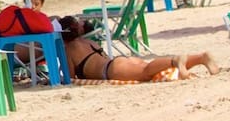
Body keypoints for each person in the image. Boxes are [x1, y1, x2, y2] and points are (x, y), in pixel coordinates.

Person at [59, 16, 217, 82]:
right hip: (116, 62)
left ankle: (175, 60)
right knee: (150, 69)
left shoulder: (69, 49)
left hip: (111, 70)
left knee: (146, 72)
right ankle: (201, 58)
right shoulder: (87, 42)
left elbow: (70, 77)